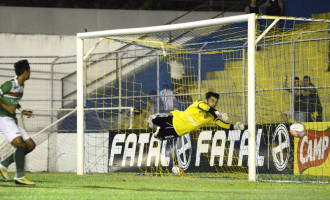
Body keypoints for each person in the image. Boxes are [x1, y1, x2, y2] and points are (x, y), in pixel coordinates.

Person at [148, 92, 244, 141]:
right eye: (212, 101)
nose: (214, 103)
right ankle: (154, 125)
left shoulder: (212, 117)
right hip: (172, 119)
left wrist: (235, 127)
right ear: (206, 100)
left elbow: (223, 125)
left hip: (176, 131)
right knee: (152, 119)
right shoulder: (199, 103)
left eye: (216, 102)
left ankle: (158, 131)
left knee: (158, 137)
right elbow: (206, 108)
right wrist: (219, 113)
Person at [0, 60, 36, 185]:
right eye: (29, 70)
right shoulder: (10, 84)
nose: (30, 73)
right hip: (2, 118)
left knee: (30, 145)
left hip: (11, 119)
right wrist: (5, 106)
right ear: (26, 72)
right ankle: (20, 176)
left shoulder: (21, 86)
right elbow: (4, 100)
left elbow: (14, 99)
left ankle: (3, 164)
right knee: (20, 144)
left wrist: (21, 110)